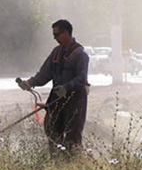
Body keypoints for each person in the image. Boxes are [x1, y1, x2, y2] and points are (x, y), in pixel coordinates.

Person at [18, 19, 89, 155]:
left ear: (66, 33)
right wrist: (30, 83)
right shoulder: (56, 53)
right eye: (53, 35)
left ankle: (72, 164)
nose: (55, 38)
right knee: (52, 131)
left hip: (74, 102)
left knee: (72, 135)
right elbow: (44, 74)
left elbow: (81, 79)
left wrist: (67, 88)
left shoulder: (80, 55)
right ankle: (56, 162)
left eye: (57, 35)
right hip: (56, 99)